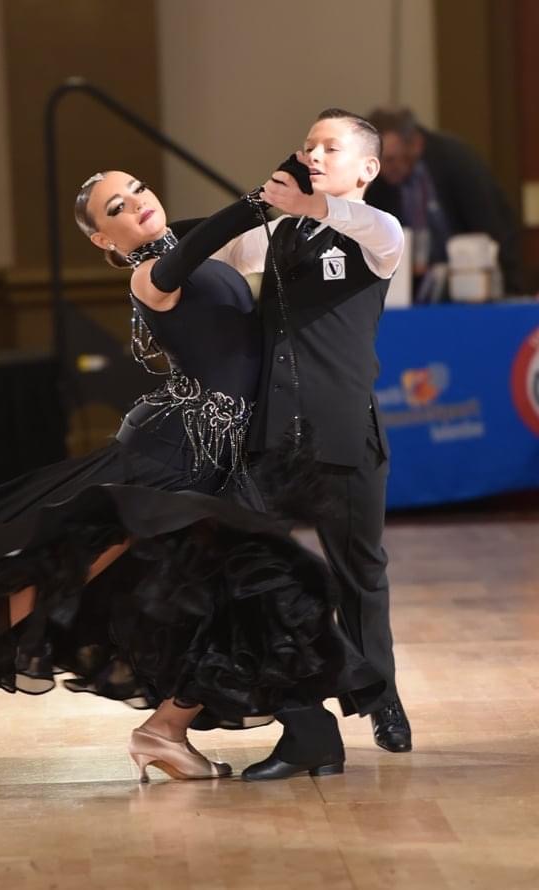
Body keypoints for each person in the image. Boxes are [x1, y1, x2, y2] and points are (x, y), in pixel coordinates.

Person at [0, 169, 384, 782]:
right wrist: (257, 199)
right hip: (170, 457)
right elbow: (211, 243)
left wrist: (317, 180)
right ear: (105, 239)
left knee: (222, 596)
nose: (139, 206)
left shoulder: (192, 248)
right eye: (117, 208)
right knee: (49, 574)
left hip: (221, 460)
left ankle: (166, 731)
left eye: (140, 190)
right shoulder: (150, 275)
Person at [209, 108, 409, 781]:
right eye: (307, 146)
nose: (313, 154)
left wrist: (312, 203)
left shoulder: (377, 231)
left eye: (330, 147)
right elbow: (215, 256)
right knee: (255, 574)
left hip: (344, 430)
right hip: (272, 436)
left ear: (367, 168)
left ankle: (380, 698)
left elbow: (359, 223)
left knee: (360, 577)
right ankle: (304, 724)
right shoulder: (280, 230)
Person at [365, 107, 523, 298]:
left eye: (391, 160)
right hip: (415, 289)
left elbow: (493, 225)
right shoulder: (377, 181)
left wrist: (512, 287)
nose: (383, 170)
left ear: (415, 145)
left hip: (470, 278)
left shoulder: (456, 162)